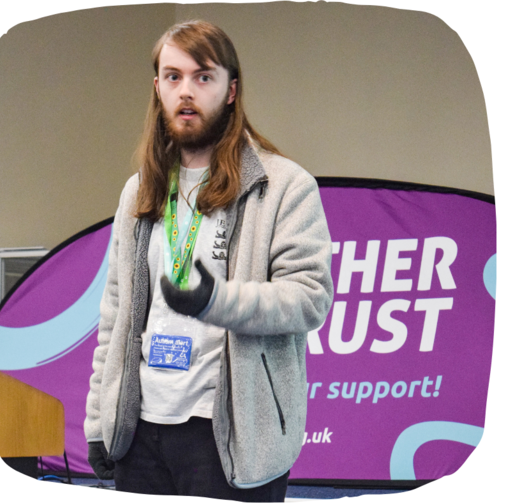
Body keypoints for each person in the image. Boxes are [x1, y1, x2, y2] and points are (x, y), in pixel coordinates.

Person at [85, 20, 334, 502]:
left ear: (231, 90)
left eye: (203, 77)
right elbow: (114, 314)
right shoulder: (139, 191)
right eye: (173, 76)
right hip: (141, 434)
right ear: (157, 87)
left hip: (229, 437)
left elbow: (309, 298)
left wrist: (214, 300)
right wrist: (101, 419)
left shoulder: (283, 186)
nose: (186, 91)